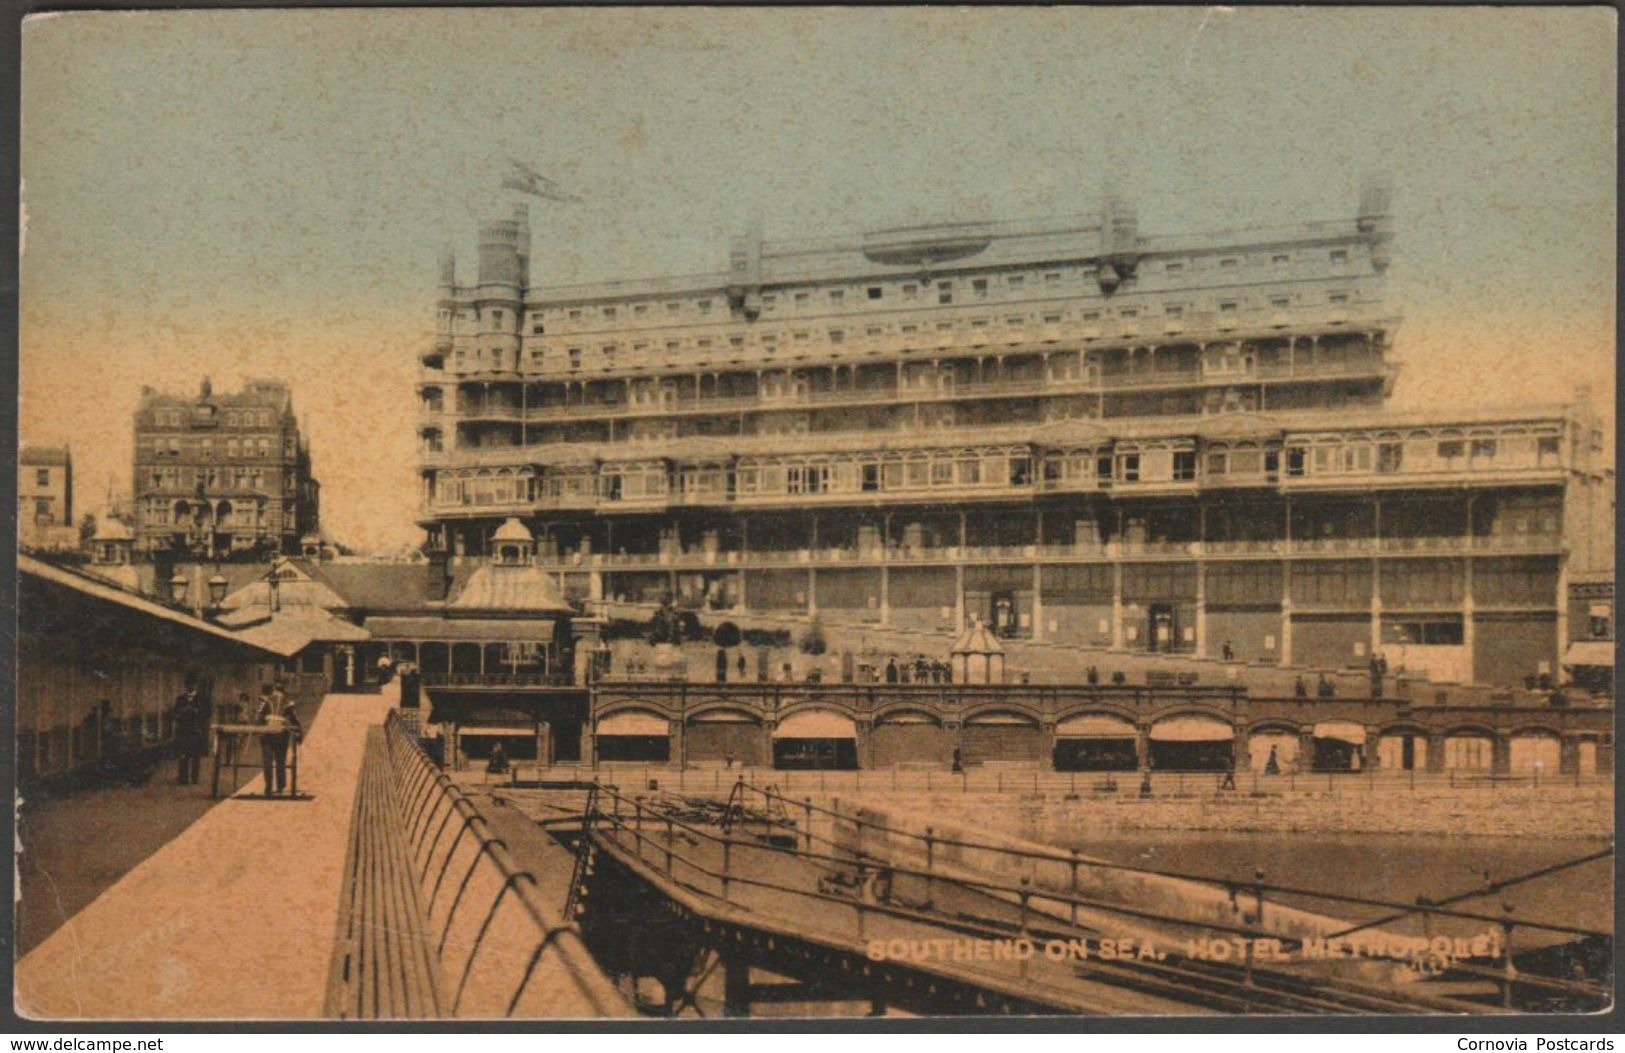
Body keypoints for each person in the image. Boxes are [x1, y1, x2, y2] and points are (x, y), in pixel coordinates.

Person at [255, 682, 302, 796]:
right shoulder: (288, 702)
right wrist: (300, 732)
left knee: (268, 762)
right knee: (280, 761)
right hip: (281, 734)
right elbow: (294, 718)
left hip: (267, 734)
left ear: (274, 689)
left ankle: (268, 788)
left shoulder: (266, 700)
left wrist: (259, 730)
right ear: (283, 690)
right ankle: (280, 787)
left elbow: (259, 716)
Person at [172, 677, 209, 786]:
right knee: (183, 755)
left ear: (196, 686)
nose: (191, 687)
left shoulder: (203, 699)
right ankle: (183, 778)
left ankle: (194, 778)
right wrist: (182, 712)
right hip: (184, 730)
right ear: (186, 686)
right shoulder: (180, 699)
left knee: (196, 756)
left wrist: (196, 712)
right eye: (188, 684)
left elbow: (207, 714)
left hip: (196, 730)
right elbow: (175, 714)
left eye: (193, 684)